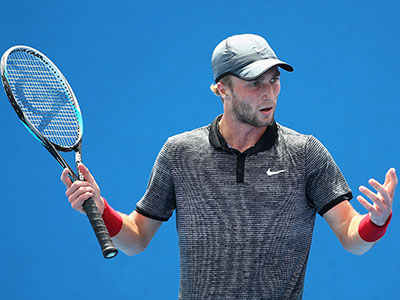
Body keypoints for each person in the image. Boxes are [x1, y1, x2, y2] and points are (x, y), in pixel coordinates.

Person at [61, 34, 397, 300]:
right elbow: (136, 239)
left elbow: (352, 237)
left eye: (274, 80)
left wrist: (377, 221)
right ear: (222, 88)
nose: (269, 93)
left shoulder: (306, 153)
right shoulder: (179, 153)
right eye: (254, 83)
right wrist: (100, 208)